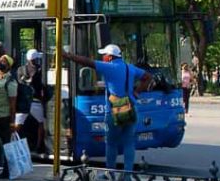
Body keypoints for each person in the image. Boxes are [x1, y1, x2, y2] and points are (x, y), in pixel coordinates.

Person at [64, 44, 152, 172]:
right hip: (131, 107)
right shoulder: (130, 68)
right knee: (129, 143)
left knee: (111, 143)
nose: (103, 57)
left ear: (110, 57)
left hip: (115, 109)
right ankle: (128, 176)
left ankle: (111, 173)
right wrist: (136, 92)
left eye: (104, 55)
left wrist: (68, 56)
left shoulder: (109, 67)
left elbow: (87, 62)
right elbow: (148, 77)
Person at [0, 55, 18, 178]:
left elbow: (13, 105)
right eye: (0, 60)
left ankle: (7, 170)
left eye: (4, 62)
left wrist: (12, 122)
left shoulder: (10, 81)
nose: (0, 63)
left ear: (9, 66)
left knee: (5, 144)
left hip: (4, 117)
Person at [17, 49, 47, 153]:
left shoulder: (21, 70)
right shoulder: (40, 71)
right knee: (41, 123)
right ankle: (39, 146)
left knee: (17, 125)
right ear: (35, 59)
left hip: (24, 102)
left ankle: (13, 144)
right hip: (36, 102)